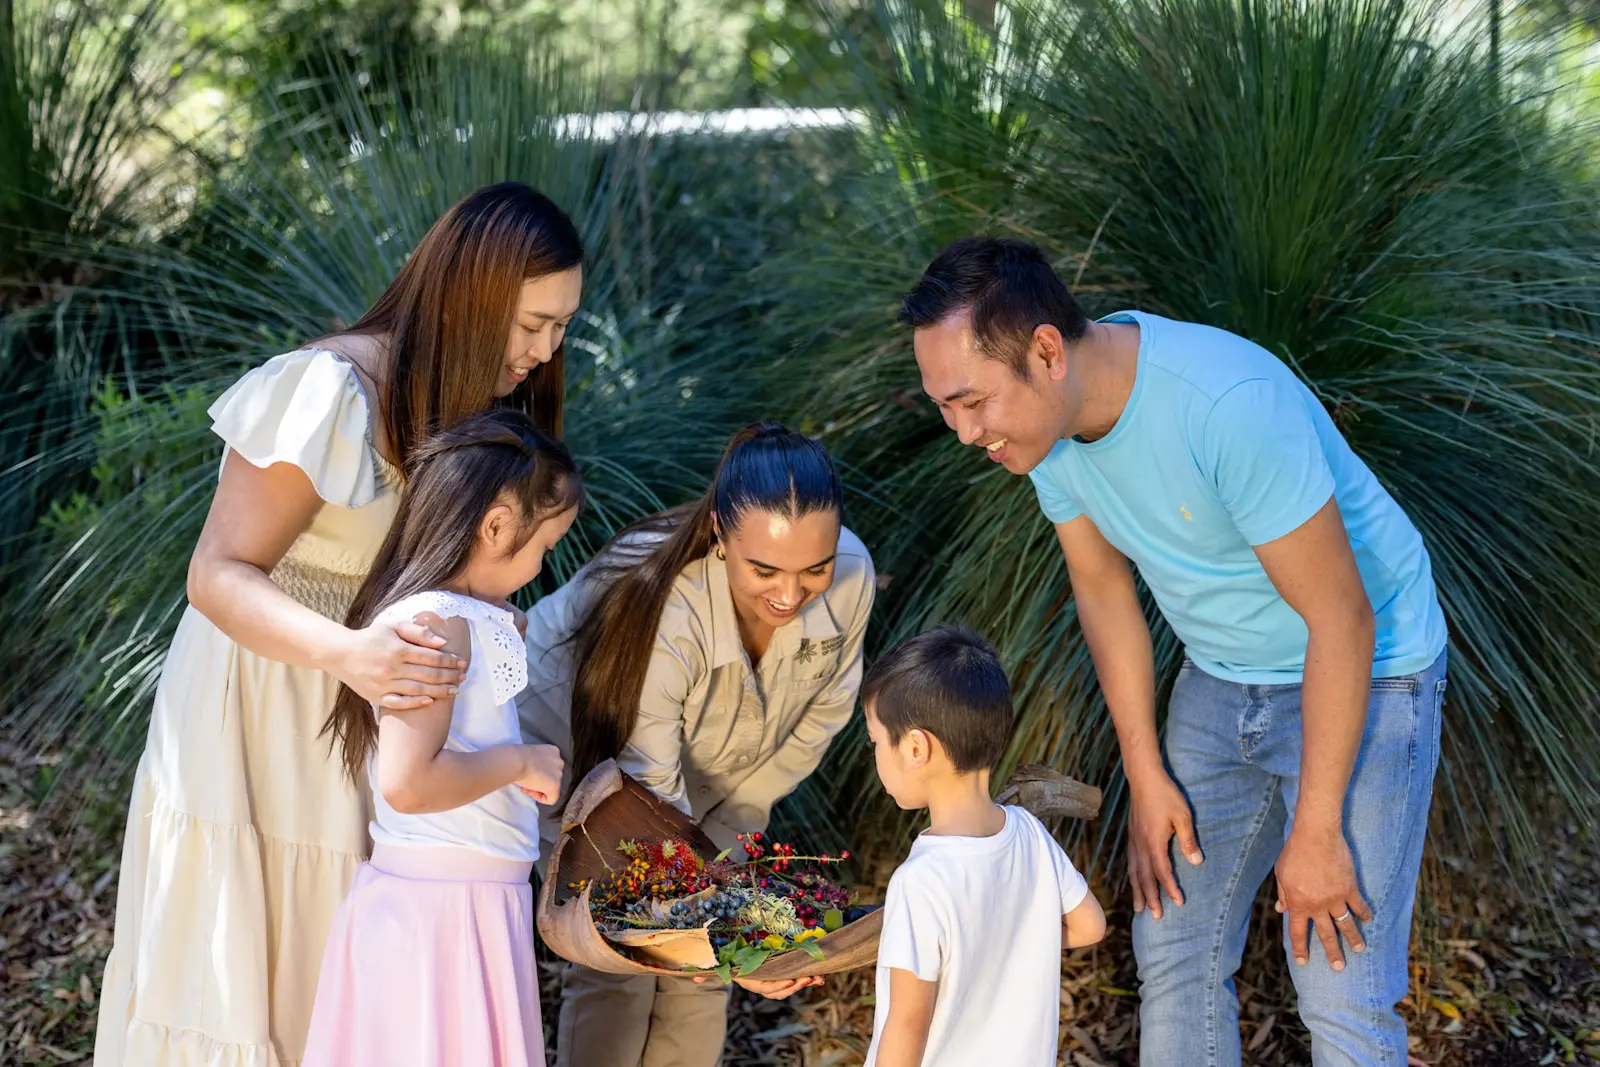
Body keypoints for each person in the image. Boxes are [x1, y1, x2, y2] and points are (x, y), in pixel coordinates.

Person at [898, 236, 1449, 1067]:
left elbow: (1342, 619)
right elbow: (1104, 590)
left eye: (973, 400)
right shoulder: (1047, 438)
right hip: (1221, 677)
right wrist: (1146, 772)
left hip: (1368, 673)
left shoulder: (1225, 402)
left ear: (1046, 351)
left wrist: (1319, 824)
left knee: (1341, 987)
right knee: (1175, 953)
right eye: (946, 406)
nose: (966, 431)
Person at [95, 182, 585, 1067]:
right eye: (530, 323)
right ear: (469, 295)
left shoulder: (486, 419)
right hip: (267, 703)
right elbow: (215, 572)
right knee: (253, 964)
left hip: (389, 718)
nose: (545, 351)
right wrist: (351, 654)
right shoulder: (329, 388)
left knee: (355, 981)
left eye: (561, 328)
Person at [517, 422, 876, 1067]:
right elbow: (645, 788)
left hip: (714, 780)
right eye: (764, 569)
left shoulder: (852, 575)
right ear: (718, 532)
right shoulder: (665, 606)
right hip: (583, 766)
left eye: (813, 569)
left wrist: (735, 847)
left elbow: (823, 715)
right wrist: (735, 930)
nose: (790, 595)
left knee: (704, 979)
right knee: (624, 958)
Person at [303, 410, 579, 1067]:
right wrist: (518, 761)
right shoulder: (436, 622)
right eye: (544, 547)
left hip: (467, 905)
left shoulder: (461, 616)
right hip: (440, 919)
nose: (542, 565)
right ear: (496, 526)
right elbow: (408, 780)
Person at [862, 626, 1106, 1067]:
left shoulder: (921, 881)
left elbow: (908, 1025)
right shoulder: (1030, 833)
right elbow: (1089, 926)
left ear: (915, 747)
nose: (875, 752)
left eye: (875, 741)